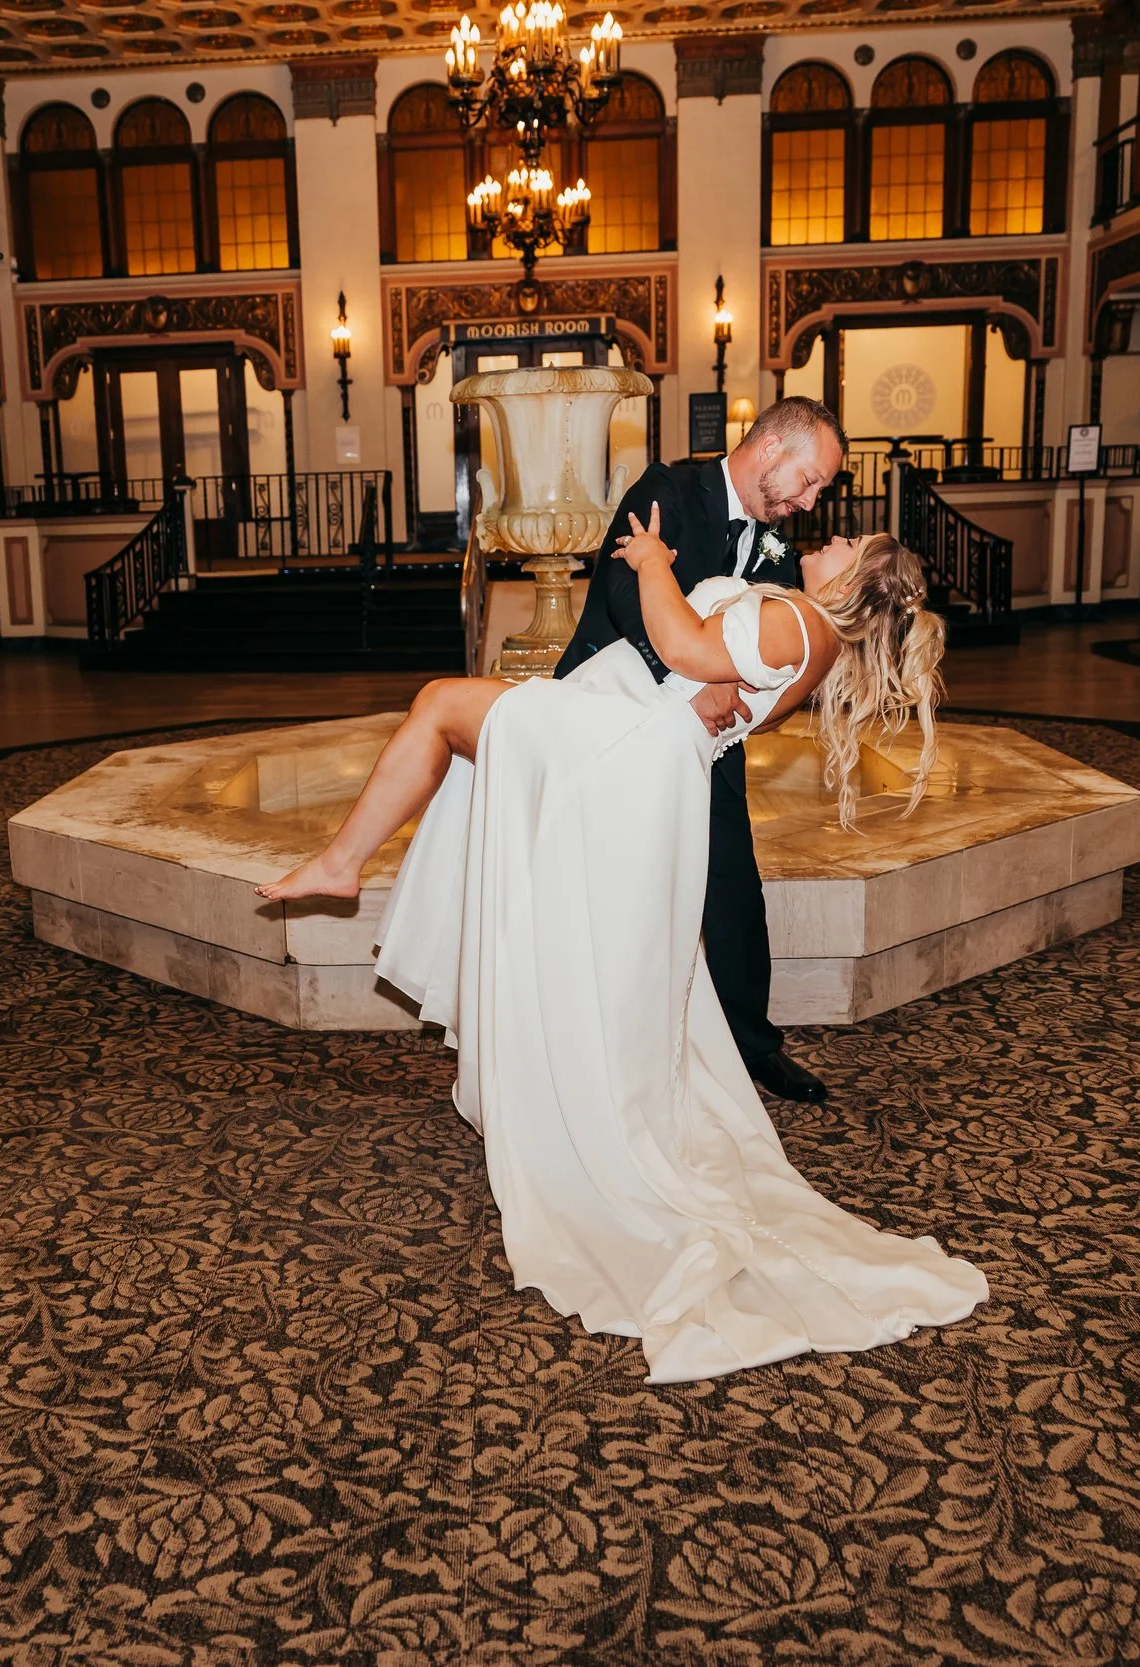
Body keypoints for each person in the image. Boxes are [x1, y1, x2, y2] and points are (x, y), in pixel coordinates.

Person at [255, 522, 985, 1382]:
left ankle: (344, 864)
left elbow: (681, 640)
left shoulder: (802, 622)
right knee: (459, 734)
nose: (834, 533)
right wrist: (704, 678)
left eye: (851, 539)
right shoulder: (805, 629)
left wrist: (654, 565)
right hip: (633, 742)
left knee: (444, 707)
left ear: (858, 575)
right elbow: (712, 682)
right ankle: (367, 883)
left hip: (624, 748)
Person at [560, 398, 844, 1107]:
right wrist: (683, 689)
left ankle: (753, 1045)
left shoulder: (776, 545)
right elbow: (626, 595)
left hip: (709, 733)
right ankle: (600, 1041)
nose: (810, 501)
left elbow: (764, 640)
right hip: (619, 709)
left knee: (732, 879)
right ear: (773, 446)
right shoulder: (667, 490)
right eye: (809, 481)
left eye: (819, 492)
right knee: (614, 881)